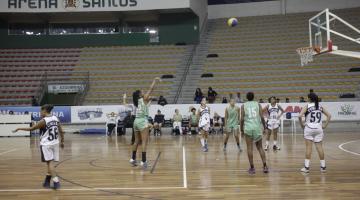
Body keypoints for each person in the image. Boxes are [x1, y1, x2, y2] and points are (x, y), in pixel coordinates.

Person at [12, 104, 64, 189]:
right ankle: (46, 182)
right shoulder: (56, 118)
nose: (40, 113)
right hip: (55, 143)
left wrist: (19, 128)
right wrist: (62, 141)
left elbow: (31, 129)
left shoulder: (43, 121)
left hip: (46, 144)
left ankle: (56, 182)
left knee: (49, 163)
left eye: (41, 111)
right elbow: (61, 131)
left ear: (44, 111)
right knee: (50, 164)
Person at [129, 77, 161, 169]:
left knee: (136, 141)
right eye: (142, 92)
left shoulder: (138, 101)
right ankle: (143, 161)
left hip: (136, 121)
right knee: (144, 142)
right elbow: (151, 89)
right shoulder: (144, 98)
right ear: (140, 95)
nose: (143, 92)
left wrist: (153, 98)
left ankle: (133, 159)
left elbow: (150, 98)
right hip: (142, 121)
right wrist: (154, 80)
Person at [298, 93, 331, 173]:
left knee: (309, 148)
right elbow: (329, 115)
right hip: (319, 129)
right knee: (319, 147)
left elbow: (299, 116)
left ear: (309, 98)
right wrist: (325, 126)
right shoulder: (320, 106)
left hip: (309, 128)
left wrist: (302, 125)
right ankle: (323, 167)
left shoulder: (307, 106)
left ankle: (306, 168)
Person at [241, 92, 268, 174]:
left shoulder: (243, 105)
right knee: (260, 147)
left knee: (249, 148)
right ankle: (265, 166)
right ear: (253, 97)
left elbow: (242, 119)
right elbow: (262, 117)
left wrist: (241, 129)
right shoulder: (257, 104)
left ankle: (252, 168)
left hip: (248, 128)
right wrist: (265, 127)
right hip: (257, 127)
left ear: (246, 97)